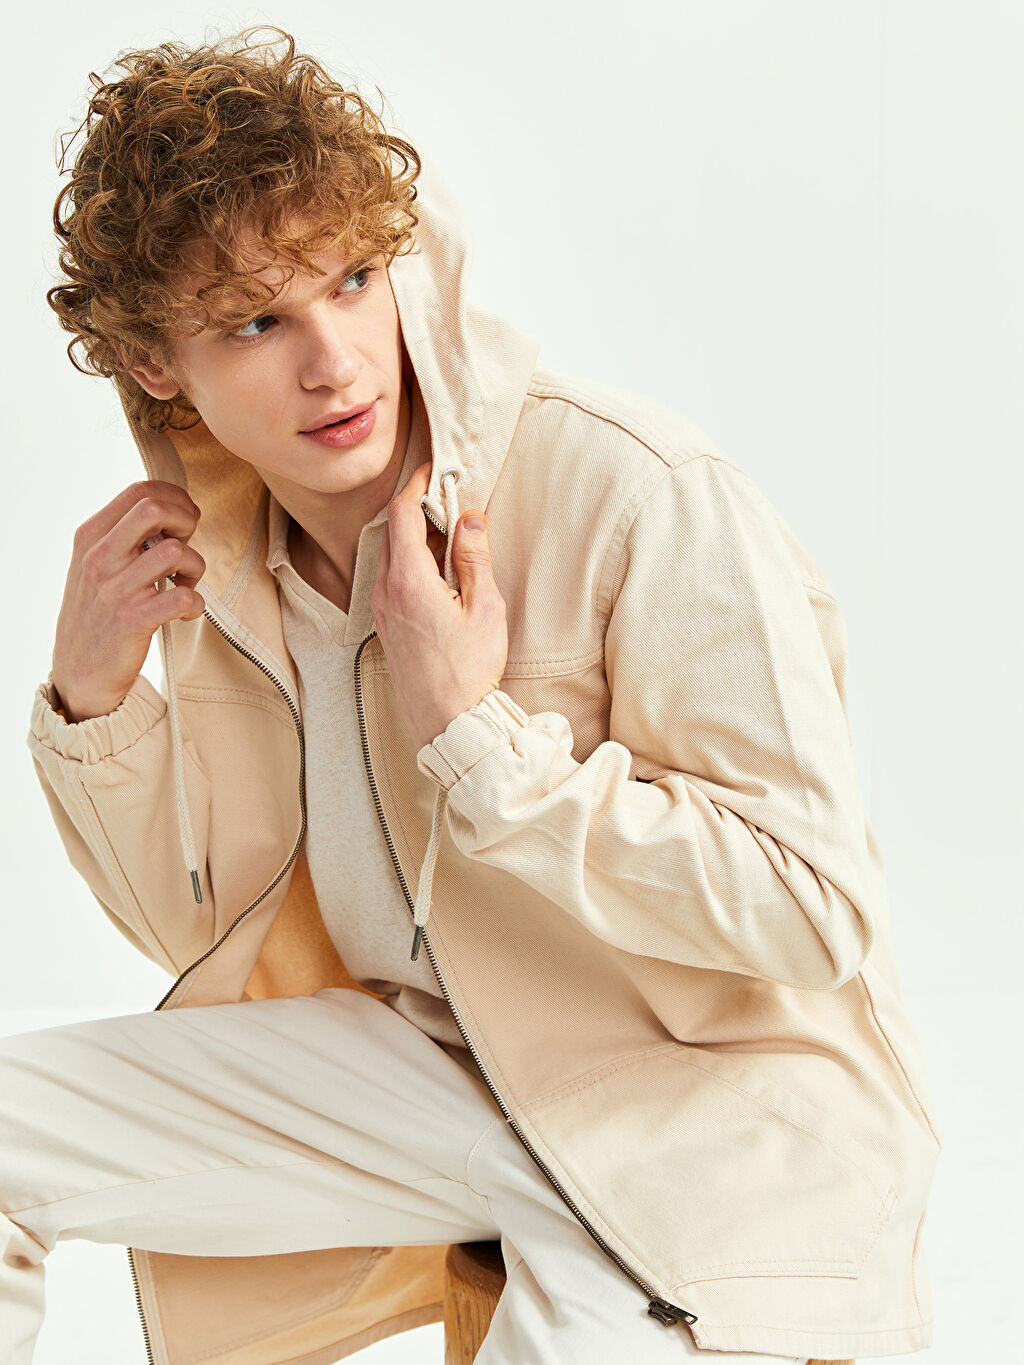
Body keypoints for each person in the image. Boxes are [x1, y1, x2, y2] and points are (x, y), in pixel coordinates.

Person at [3, 24, 940, 1365]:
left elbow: (814, 908)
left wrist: (486, 749)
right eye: (257, 320)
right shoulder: (229, 567)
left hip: (700, 1111)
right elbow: (212, 933)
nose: (335, 360)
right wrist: (96, 708)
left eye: (353, 279)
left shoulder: (633, 492)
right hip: (433, 1079)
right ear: (157, 363)